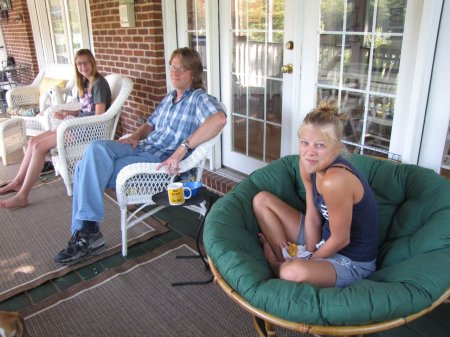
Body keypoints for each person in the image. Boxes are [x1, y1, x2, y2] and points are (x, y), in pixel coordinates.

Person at [54, 47, 227, 265]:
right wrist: (134, 136)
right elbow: (150, 124)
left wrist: (182, 149)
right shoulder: (170, 97)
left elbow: (219, 120)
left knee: (83, 169)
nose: (174, 72)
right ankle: (89, 234)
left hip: (159, 160)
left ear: (194, 73)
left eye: (181, 68)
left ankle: (88, 233)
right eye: (172, 67)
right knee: (96, 148)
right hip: (141, 147)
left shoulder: (199, 99)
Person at [254, 100, 378, 288]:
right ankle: (285, 256)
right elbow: (313, 216)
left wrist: (309, 261)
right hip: (323, 240)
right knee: (261, 200)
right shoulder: (307, 165)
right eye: (305, 143)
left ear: (336, 148)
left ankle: (276, 265)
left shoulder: (335, 180)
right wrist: (309, 252)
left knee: (291, 271)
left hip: (351, 260)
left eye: (320, 145)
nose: (309, 152)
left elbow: (341, 239)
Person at [0, 49, 111, 208]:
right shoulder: (86, 81)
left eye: (85, 62)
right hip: (78, 125)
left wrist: (71, 123)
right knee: (33, 142)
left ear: (92, 63)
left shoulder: (98, 83)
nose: (82, 66)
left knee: (39, 147)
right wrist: (68, 113)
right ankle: (17, 182)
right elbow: (87, 110)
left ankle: (22, 195)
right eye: (78, 63)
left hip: (88, 130)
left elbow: (99, 116)